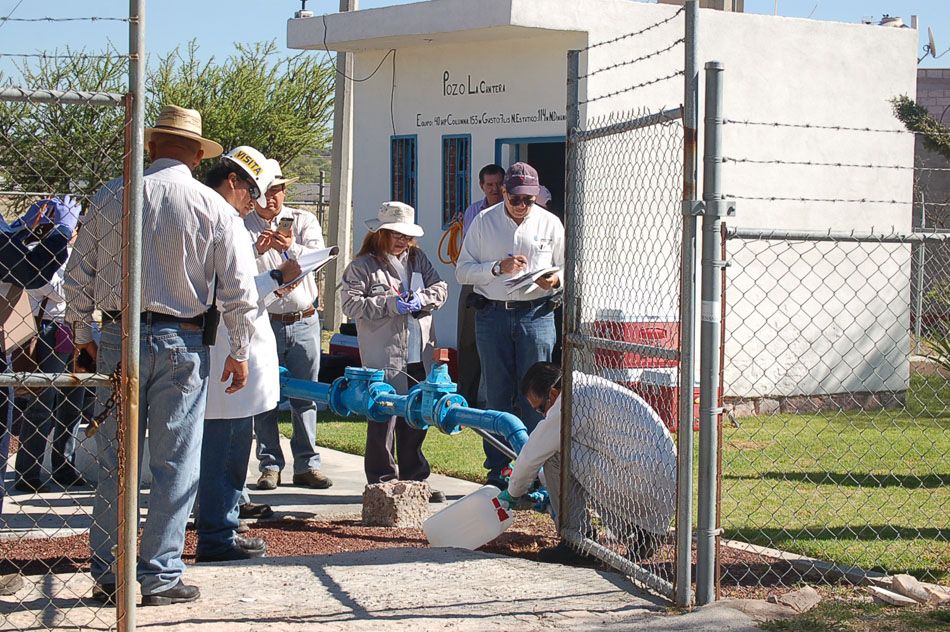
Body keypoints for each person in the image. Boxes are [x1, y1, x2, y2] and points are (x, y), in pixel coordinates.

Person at [64, 105, 259, 606]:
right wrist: (239, 349)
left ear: (151, 147)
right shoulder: (212, 206)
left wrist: (84, 334)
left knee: (117, 460)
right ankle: (160, 575)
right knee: (176, 462)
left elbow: (78, 274)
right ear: (197, 156)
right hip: (183, 339)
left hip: (118, 335)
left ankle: (110, 572)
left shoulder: (113, 195)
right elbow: (239, 289)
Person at [195, 146, 300, 562]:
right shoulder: (225, 220)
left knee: (223, 443)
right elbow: (231, 293)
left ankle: (220, 521)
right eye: (252, 192)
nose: (255, 202)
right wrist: (277, 275)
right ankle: (218, 532)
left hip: (223, 341)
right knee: (227, 446)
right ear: (234, 182)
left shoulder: (205, 214)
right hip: (229, 345)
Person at [455, 162, 564, 489]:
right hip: (492, 315)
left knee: (540, 395)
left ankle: (537, 471)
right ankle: (499, 469)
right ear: (503, 192)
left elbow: (569, 267)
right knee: (497, 394)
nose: (521, 205)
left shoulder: (550, 222)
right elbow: (462, 271)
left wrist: (555, 280)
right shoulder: (483, 222)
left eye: (528, 200)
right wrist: (496, 268)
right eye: (515, 198)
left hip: (537, 314)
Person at [499, 362, 677, 561]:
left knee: (555, 454)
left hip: (642, 482)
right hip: (657, 484)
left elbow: (533, 454)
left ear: (553, 393)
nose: (544, 415)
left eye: (541, 408)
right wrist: (538, 479)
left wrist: (512, 493)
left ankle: (578, 542)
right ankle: (641, 533)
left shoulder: (569, 400)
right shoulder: (585, 387)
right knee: (563, 449)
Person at [340, 202, 448, 502]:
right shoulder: (362, 266)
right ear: (380, 233)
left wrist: (422, 299)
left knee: (416, 417)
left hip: (419, 352)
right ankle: (382, 482)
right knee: (382, 420)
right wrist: (391, 304)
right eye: (397, 235)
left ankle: (415, 481)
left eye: (407, 236)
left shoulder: (417, 258)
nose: (403, 241)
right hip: (383, 357)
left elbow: (440, 288)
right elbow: (350, 305)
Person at [244, 159, 331, 491]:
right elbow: (235, 269)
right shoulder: (243, 225)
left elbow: (319, 258)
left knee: (306, 394)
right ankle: (270, 465)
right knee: (263, 394)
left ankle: (307, 464)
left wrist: (289, 247)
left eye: (278, 190)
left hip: (303, 318)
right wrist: (257, 251)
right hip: (264, 321)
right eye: (267, 191)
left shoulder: (303, 220)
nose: (273, 198)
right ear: (255, 193)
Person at [14, 226, 90, 493]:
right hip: (49, 329)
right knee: (42, 402)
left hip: (78, 328)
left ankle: (64, 465)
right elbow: (50, 287)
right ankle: (28, 472)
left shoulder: (79, 253)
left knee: (74, 400)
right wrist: (79, 286)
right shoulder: (38, 250)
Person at [456, 164, 504, 409]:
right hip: (476, 278)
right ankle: (466, 397)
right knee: (468, 340)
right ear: (481, 186)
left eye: (498, 184)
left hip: (504, 280)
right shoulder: (473, 211)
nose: (494, 189)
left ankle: (502, 402)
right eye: (489, 185)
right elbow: (470, 250)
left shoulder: (513, 209)